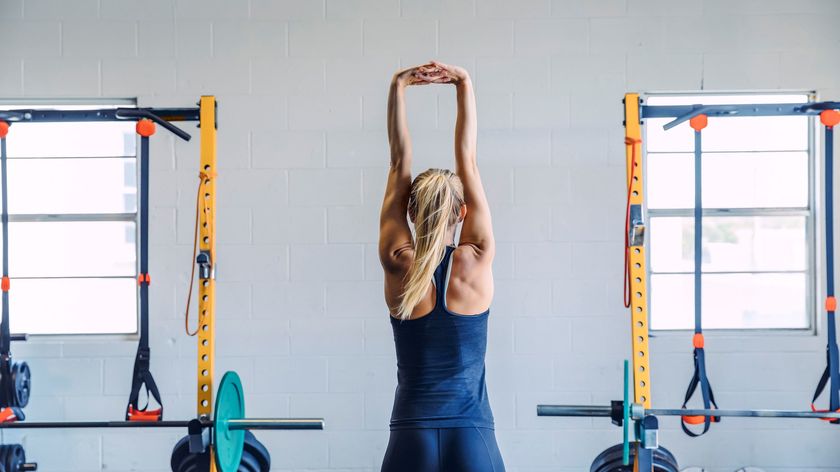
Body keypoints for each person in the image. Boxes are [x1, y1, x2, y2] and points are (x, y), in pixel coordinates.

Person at [378, 61, 505, 472]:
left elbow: (399, 163)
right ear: (462, 212)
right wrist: (463, 83)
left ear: (410, 212)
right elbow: (468, 160)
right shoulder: (476, 257)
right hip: (471, 435)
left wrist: (399, 85)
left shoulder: (398, 261)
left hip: (410, 436)